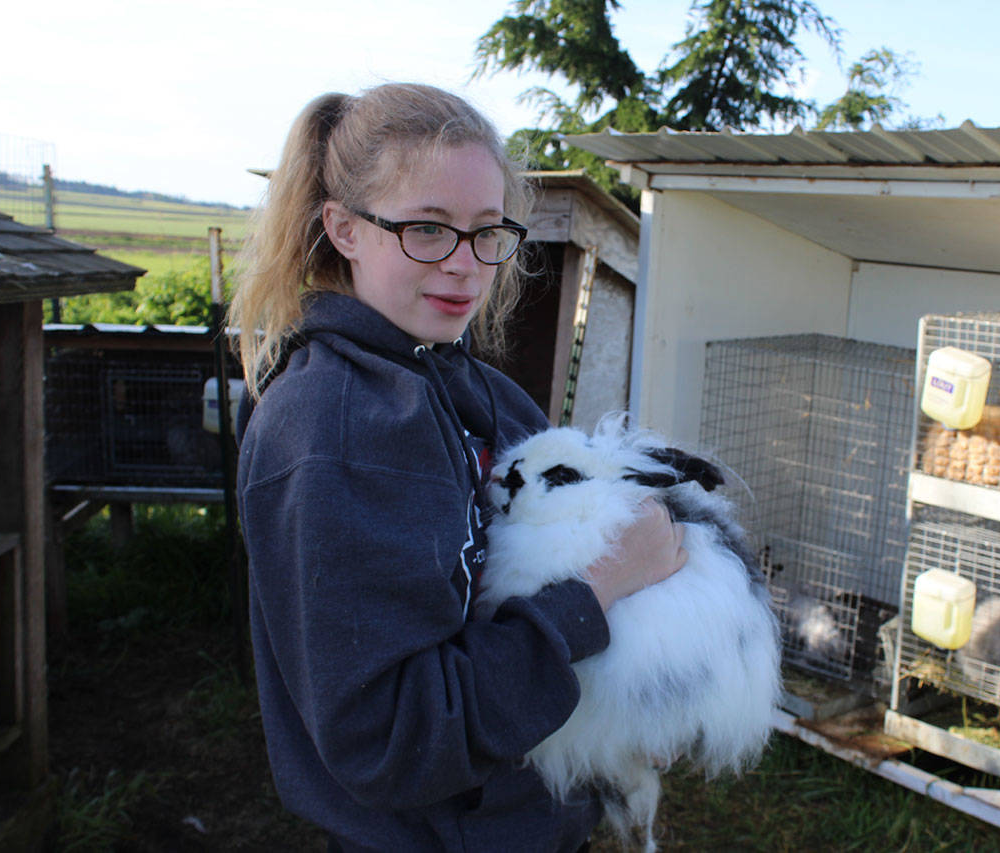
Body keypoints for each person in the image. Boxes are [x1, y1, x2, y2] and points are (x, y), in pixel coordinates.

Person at [230, 83, 687, 852]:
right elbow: (394, 737)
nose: (465, 267)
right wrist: (606, 582)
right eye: (427, 230)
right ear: (343, 227)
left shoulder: (486, 395)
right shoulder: (334, 428)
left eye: (485, 232)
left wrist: (629, 707)